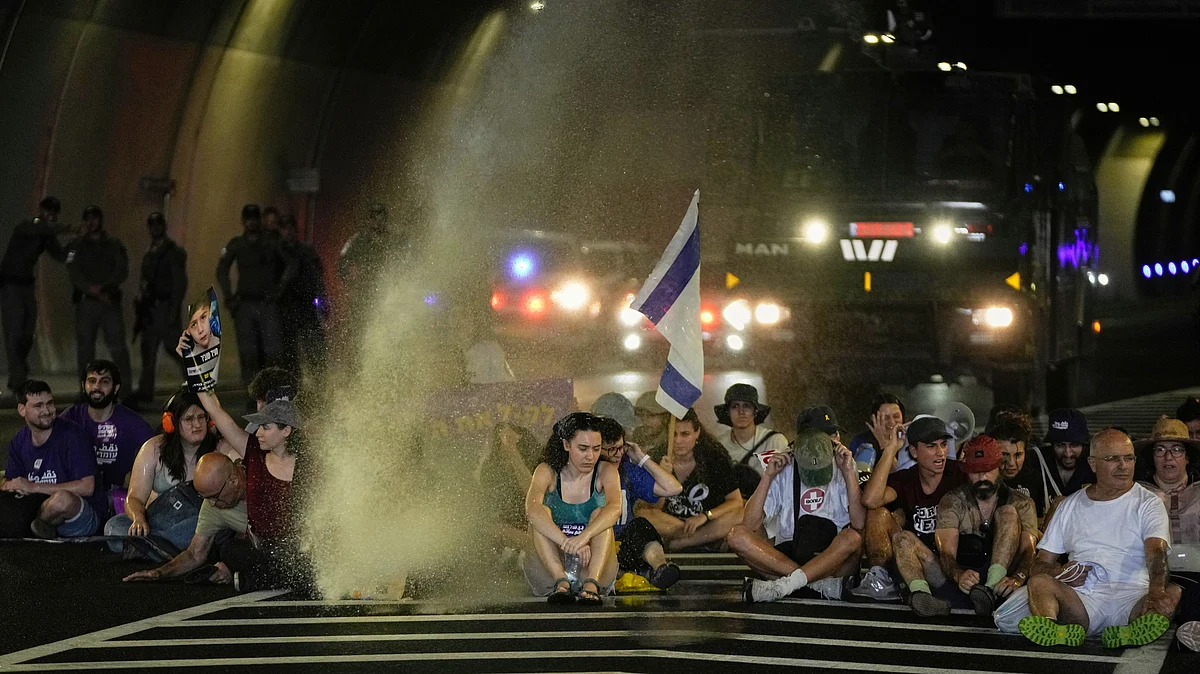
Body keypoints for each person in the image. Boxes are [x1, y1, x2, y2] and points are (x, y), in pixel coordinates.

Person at [995, 430, 1180, 649]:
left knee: (1172, 591)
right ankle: (1051, 627)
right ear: (1093, 464)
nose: (1123, 466)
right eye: (1112, 458)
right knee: (1039, 582)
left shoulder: (1149, 503)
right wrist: (1060, 572)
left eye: (1128, 458)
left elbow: (1156, 552)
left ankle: (1129, 631)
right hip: (1083, 600)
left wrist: (1156, 591)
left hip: (1134, 598)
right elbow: (1039, 565)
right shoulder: (1070, 505)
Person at [730, 428, 865, 603]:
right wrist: (768, 476)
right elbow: (749, 524)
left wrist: (848, 472)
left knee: (853, 538)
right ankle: (816, 587)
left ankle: (786, 586)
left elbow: (859, 523)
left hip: (832, 561)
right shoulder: (782, 465)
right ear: (795, 449)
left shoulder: (845, 462)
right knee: (737, 536)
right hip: (790, 558)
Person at [854, 416, 966, 614]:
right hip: (915, 560)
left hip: (952, 566)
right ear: (914, 451)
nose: (940, 452)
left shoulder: (958, 474)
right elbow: (870, 500)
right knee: (877, 513)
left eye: (943, 445)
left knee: (904, 538)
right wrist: (891, 449)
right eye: (931, 446)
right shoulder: (907, 478)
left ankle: (925, 595)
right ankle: (882, 581)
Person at [197, 388, 305, 591]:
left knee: (308, 558)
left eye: (266, 427)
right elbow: (216, 412)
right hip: (262, 550)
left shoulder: (308, 463)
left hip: (297, 549)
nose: (258, 433)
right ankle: (283, 578)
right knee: (230, 550)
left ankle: (263, 579)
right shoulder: (254, 451)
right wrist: (197, 377)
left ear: (286, 431)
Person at [102, 389, 223, 557]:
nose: (197, 424)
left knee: (202, 527)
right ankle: (159, 549)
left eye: (201, 417)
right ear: (170, 423)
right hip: (158, 521)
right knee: (114, 526)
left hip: (194, 523)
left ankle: (149, 549)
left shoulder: (220, 449)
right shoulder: (153, 449)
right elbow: (134, 498)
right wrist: (138, 519)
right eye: (189, 419)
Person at [934, 435, 1039, 616]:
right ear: (966, 472)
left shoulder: (1023, 503)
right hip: (967, 577)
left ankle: (989, 590)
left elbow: (1028, 551)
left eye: (988, 469)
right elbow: (946, 552)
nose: (982, 477)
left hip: (1004, 584)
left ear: (999, 467)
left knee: (1008, 512)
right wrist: (959, 575)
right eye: (975, 471)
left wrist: (1017, 579)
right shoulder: (952, 501)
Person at [523, 412, 621, 605]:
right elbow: (531, 510)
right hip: (551, 565)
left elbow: (615, 509)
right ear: (566, 445)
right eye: (583, 449)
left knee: (601, 514)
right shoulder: (546, 471)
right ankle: (561, 582)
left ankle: (591, 584)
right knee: (540, 515)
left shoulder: (606, 471)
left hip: (591, 563)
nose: (590, 456)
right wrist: (566, 542)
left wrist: (583, 537)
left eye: (596, 449)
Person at [122, 452, 248, 584]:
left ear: (234, 481)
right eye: (206, 498)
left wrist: (232, 566)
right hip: (254, 546)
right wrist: (159, 573)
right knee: (231, 550)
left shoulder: (259, 479)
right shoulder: (212, 506)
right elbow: (194, 554)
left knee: (233, 551)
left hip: (262, 547)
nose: (212, 504)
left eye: (215, 497)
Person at [2, 380, 105, 537]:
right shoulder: (19, 440)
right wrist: (11, 486)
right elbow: (12, 483)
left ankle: (33, 527)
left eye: (50, 403)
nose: (47, 410)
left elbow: (87, 487)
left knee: (62, 500)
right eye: (38, 406)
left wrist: (33, 487)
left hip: (79, 514)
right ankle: (37, 526)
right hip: (39, 505)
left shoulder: (72, 435)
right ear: (22, 410)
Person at [639, 408, 744, 551]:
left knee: (741, 514)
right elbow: (653, 509)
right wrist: (662, 476)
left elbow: (736, 501)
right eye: (673, 434)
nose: (678, 441)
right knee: (643, 515)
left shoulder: (714, 458)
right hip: (672, 526)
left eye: (685, 434)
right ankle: (699, 539)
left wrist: (706, 516)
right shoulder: (656, 457)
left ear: (697, 432)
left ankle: (683, 543)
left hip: (707, 522)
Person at [596, 416, 683, 588]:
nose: (618, 454)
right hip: (591, 548)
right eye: (612, 449)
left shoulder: (627, 471)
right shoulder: (583, 474)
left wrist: (641, 458)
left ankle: (660, 569)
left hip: (622, 547)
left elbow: (673, 488)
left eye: (621, 447)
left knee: (641, 525)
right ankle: (637, 574)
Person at [216, 204, 297, 388]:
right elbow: (222, 270)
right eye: (248, 219)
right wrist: (229, 295)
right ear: (243, 221)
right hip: (245, 304)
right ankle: (252, 392)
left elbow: (291, 265)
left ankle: (273, 390)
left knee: (273, 353)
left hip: (267, 303)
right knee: (248, 354)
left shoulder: (271, 242)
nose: (251, 222)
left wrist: (279, 289)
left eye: (254, 219)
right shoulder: (237, 244)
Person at [59, 360, 154, 513]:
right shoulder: (70, 418)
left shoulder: (133, 423)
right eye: (92, 381)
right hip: (79, 498)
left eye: (104, 382)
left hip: (118, 499)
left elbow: (157, 454)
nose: (97, 387)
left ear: (116, 388)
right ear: (83, 385)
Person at [1, 196, 70, 392]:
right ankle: (18, 379)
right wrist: (69, 228)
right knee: (14, 333)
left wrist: (75, 248)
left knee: (27, 333)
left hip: (26, 286)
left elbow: (62, 256)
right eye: (48, 210)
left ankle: (18, 370)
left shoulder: (46, 235)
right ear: (41, 210)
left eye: (54, 212)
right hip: (11, 285)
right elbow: (40, 228)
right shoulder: (28, 226)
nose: (51, 215)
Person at [67, 205, 132, 384]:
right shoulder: (76, 245)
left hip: (108, 302)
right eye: (88, 219)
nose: (91, 222)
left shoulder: (114, 244)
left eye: (94, 218)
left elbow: (121, 270)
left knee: (118, 348)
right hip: (86, 303)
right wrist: (89, 288)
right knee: (85, 351)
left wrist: (104, 287)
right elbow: (73, 271)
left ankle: (125, 389)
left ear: (101, 220)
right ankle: (86, 389)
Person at [131, 212, 187, 405]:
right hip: (151, 308)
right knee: (148, 350)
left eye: (158, 224)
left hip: (165, 306)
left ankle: (196, 386)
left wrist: (173, 310)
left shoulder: (172, 252)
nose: (155, 228)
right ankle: (145, 390)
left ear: (164, 226)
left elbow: (179, 283)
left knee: (175, 348)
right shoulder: (151, 251)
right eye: (152, 225)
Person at [277, 215, 327, 375]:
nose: (288, 232)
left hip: (306, 304)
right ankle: (294, 380)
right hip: (286, 305)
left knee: (314, 349)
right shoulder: (276, 251)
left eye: (290, 228)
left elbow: (318, 275)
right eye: (284, 228)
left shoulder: (306, 250)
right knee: (289, 351)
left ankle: (318, 380)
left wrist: (322, 298)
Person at [990, 411, 1053, 519]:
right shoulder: (985, 480)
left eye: (1018, 455)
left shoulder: (1033, 479)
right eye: (1004, 455)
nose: (1011, 463)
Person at [712, 383, 788, 469]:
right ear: (728, 412)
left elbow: (786, 475)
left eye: (746, 406)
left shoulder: (774, 441)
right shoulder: (719, 446)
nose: (741, 412)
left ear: (755, 411)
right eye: (735, 406)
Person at [846, 393, 906, 474]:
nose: (892, 422)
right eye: (886, 418)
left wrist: (885, 444)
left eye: (896, 416)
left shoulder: (909, 440)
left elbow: (902, 476)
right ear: (874, 418)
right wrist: (884, 444)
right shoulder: (862, 441)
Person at [1042, 408, 1095, 497]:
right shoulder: (1037, 462)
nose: (1068, 454)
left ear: (1085, 445)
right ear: (1052, 445)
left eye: (1074, 445)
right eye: (1060, 445)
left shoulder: (1098, 465)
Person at [632, 392, 670, 460]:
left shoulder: (672, 440)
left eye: (651, 415)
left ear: (664, 417)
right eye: (642, 415)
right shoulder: (637, 435)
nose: (645, 420)